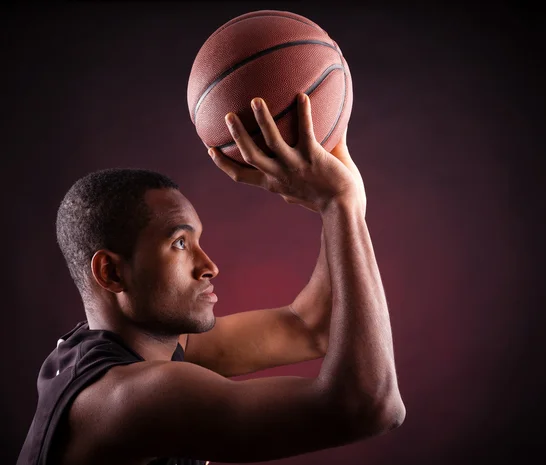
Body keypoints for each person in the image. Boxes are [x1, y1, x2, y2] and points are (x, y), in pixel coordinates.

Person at [17, 93, 405, 465]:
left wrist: (341, 203)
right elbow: (370, 406)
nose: (209, 266)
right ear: (112, 272)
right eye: (180, 243)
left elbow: (311, 326)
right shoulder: (129, 399)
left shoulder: (137, 346)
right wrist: (340, 205)